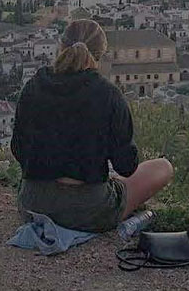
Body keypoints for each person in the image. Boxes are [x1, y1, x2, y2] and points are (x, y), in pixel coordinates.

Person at [11, 19, 174, 233]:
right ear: (100, 54)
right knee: (163, 167)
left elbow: (18, 149)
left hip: (34, 205)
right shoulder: (109, 94)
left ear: (61, 47)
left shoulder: (34, 86)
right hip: (89, 209)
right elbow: (126, 166)